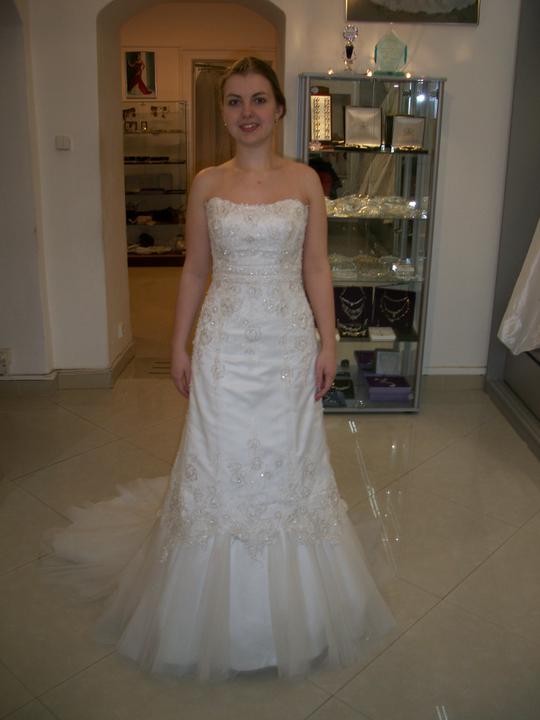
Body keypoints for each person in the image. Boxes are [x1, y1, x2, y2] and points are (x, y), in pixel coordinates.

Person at [45, 57, 394, 682]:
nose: (247, 112)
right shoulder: (206, 183)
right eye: (234, 101)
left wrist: (329, 341)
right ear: (224, 112)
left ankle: (297, 611)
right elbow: (195, 269)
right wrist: (179, 345)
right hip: (225, 345)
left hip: (286, 344)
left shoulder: (305, 182)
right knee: (216, 460)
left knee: (290, 461)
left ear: (279, 109)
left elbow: (317, 267)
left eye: (259, 99)